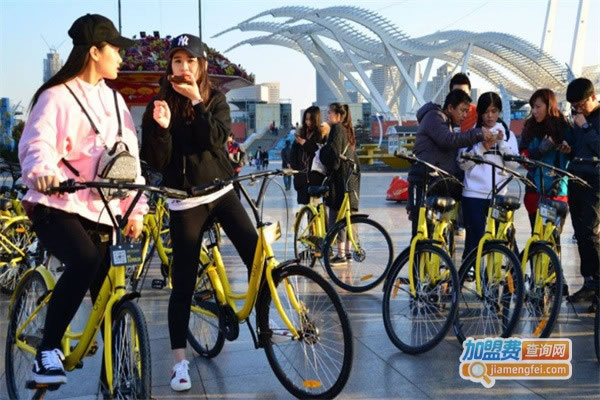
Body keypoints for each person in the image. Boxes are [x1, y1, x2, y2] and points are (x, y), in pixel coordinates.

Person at [17, 14, 145, 386]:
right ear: (94, 52)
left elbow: (129, 160)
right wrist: (43, 171)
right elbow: (37, 143)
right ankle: (47, 351)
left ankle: (118, 379)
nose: (121, 56)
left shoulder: (116, 100)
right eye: (115, 49)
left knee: (111, 293)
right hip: (57, 205)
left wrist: (135, 209)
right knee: (85, 259)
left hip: (103, 209)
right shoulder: (56, 96)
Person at [140, 33, 258, 392]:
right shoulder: (159, 104)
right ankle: (179, 362)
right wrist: (161, 130)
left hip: (221, 192)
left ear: (201, 66)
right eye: (178, 61)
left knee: (257, 257)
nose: (184, 67)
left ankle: (267, 324)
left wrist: (197, 101)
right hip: (185, 201)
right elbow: (155, 160)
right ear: (170, 66)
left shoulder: (215, 99)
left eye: (190, 61)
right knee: (183, 283)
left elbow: (215, 139)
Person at [407, 89, 494, 236]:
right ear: (450, 108)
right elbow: (447, 140)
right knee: (421, 233)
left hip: (435, 182)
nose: (465, 115)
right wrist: (478, 133)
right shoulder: (434, 117)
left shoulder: (446, 123)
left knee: (434, 233)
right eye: (462, 110)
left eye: (467, 111)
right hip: (423, 181)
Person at [458, 92, 519, 259]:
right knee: (475, 243)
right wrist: (482, 148)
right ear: (480, 113)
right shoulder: (472, 133)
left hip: (499, 196)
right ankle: (472, 271)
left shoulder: (507, 134)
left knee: (505, 239)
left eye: (494, 111)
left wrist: (501, 144)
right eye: (486, 112)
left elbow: (514, 165)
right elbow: (462, 164)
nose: (490, 116)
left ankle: (512, 272)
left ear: (499, 112)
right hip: (473, 195)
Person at [562, 78, 600, 305]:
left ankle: (598, 285)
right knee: (580, 233)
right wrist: (568, 148)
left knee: (591, 233)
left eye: (580, 105)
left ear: (593, 97)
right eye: (574, 107)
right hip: (575, 178)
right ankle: (589, 282)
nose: (577, 110)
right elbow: (577, 147)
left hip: (595, 181)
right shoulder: (577, 119)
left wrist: (585, 127)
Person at [519, 89, 571, 231]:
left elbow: (575, 155)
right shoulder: (529, 128)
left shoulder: (564, 127)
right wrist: (540, 150)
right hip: (534, 191)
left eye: (538, 107)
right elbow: (524, 159)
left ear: (549, 106)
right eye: (532, 107)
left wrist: (568, 149)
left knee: (552, 238)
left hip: (557, 192)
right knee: (536, 236)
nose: (534, 111)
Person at [319, 103, 361, 263]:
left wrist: (322, 151)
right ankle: (348, 253)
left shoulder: (337, 129)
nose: (327, 115)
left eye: (329, 112)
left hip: (340, 179)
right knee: (349, 216)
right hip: (351, 178)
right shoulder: (348, 129)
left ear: (338, 115)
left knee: (337, 216)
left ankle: (340, 254)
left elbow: (334, 157)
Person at [290, 106, 327, 204]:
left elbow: (318, 153)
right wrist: (295, 170)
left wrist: (305, 144)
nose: (308, 122)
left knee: (314, 207)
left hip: (314, 179)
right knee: (305, 207)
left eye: (311, 119)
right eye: (306, 119)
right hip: (301, 178)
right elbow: (293, 153)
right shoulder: (301, 133)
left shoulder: (321, 135)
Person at [226, 133, 244, 197]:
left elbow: (243, 153)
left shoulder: (236, 144)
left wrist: (241, 162)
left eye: (227, 136)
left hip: (235, 167)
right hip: (227, 167)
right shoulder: (225, 145)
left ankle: (238, 197)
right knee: (229, 184)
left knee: (235, 183)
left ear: (231, 137)